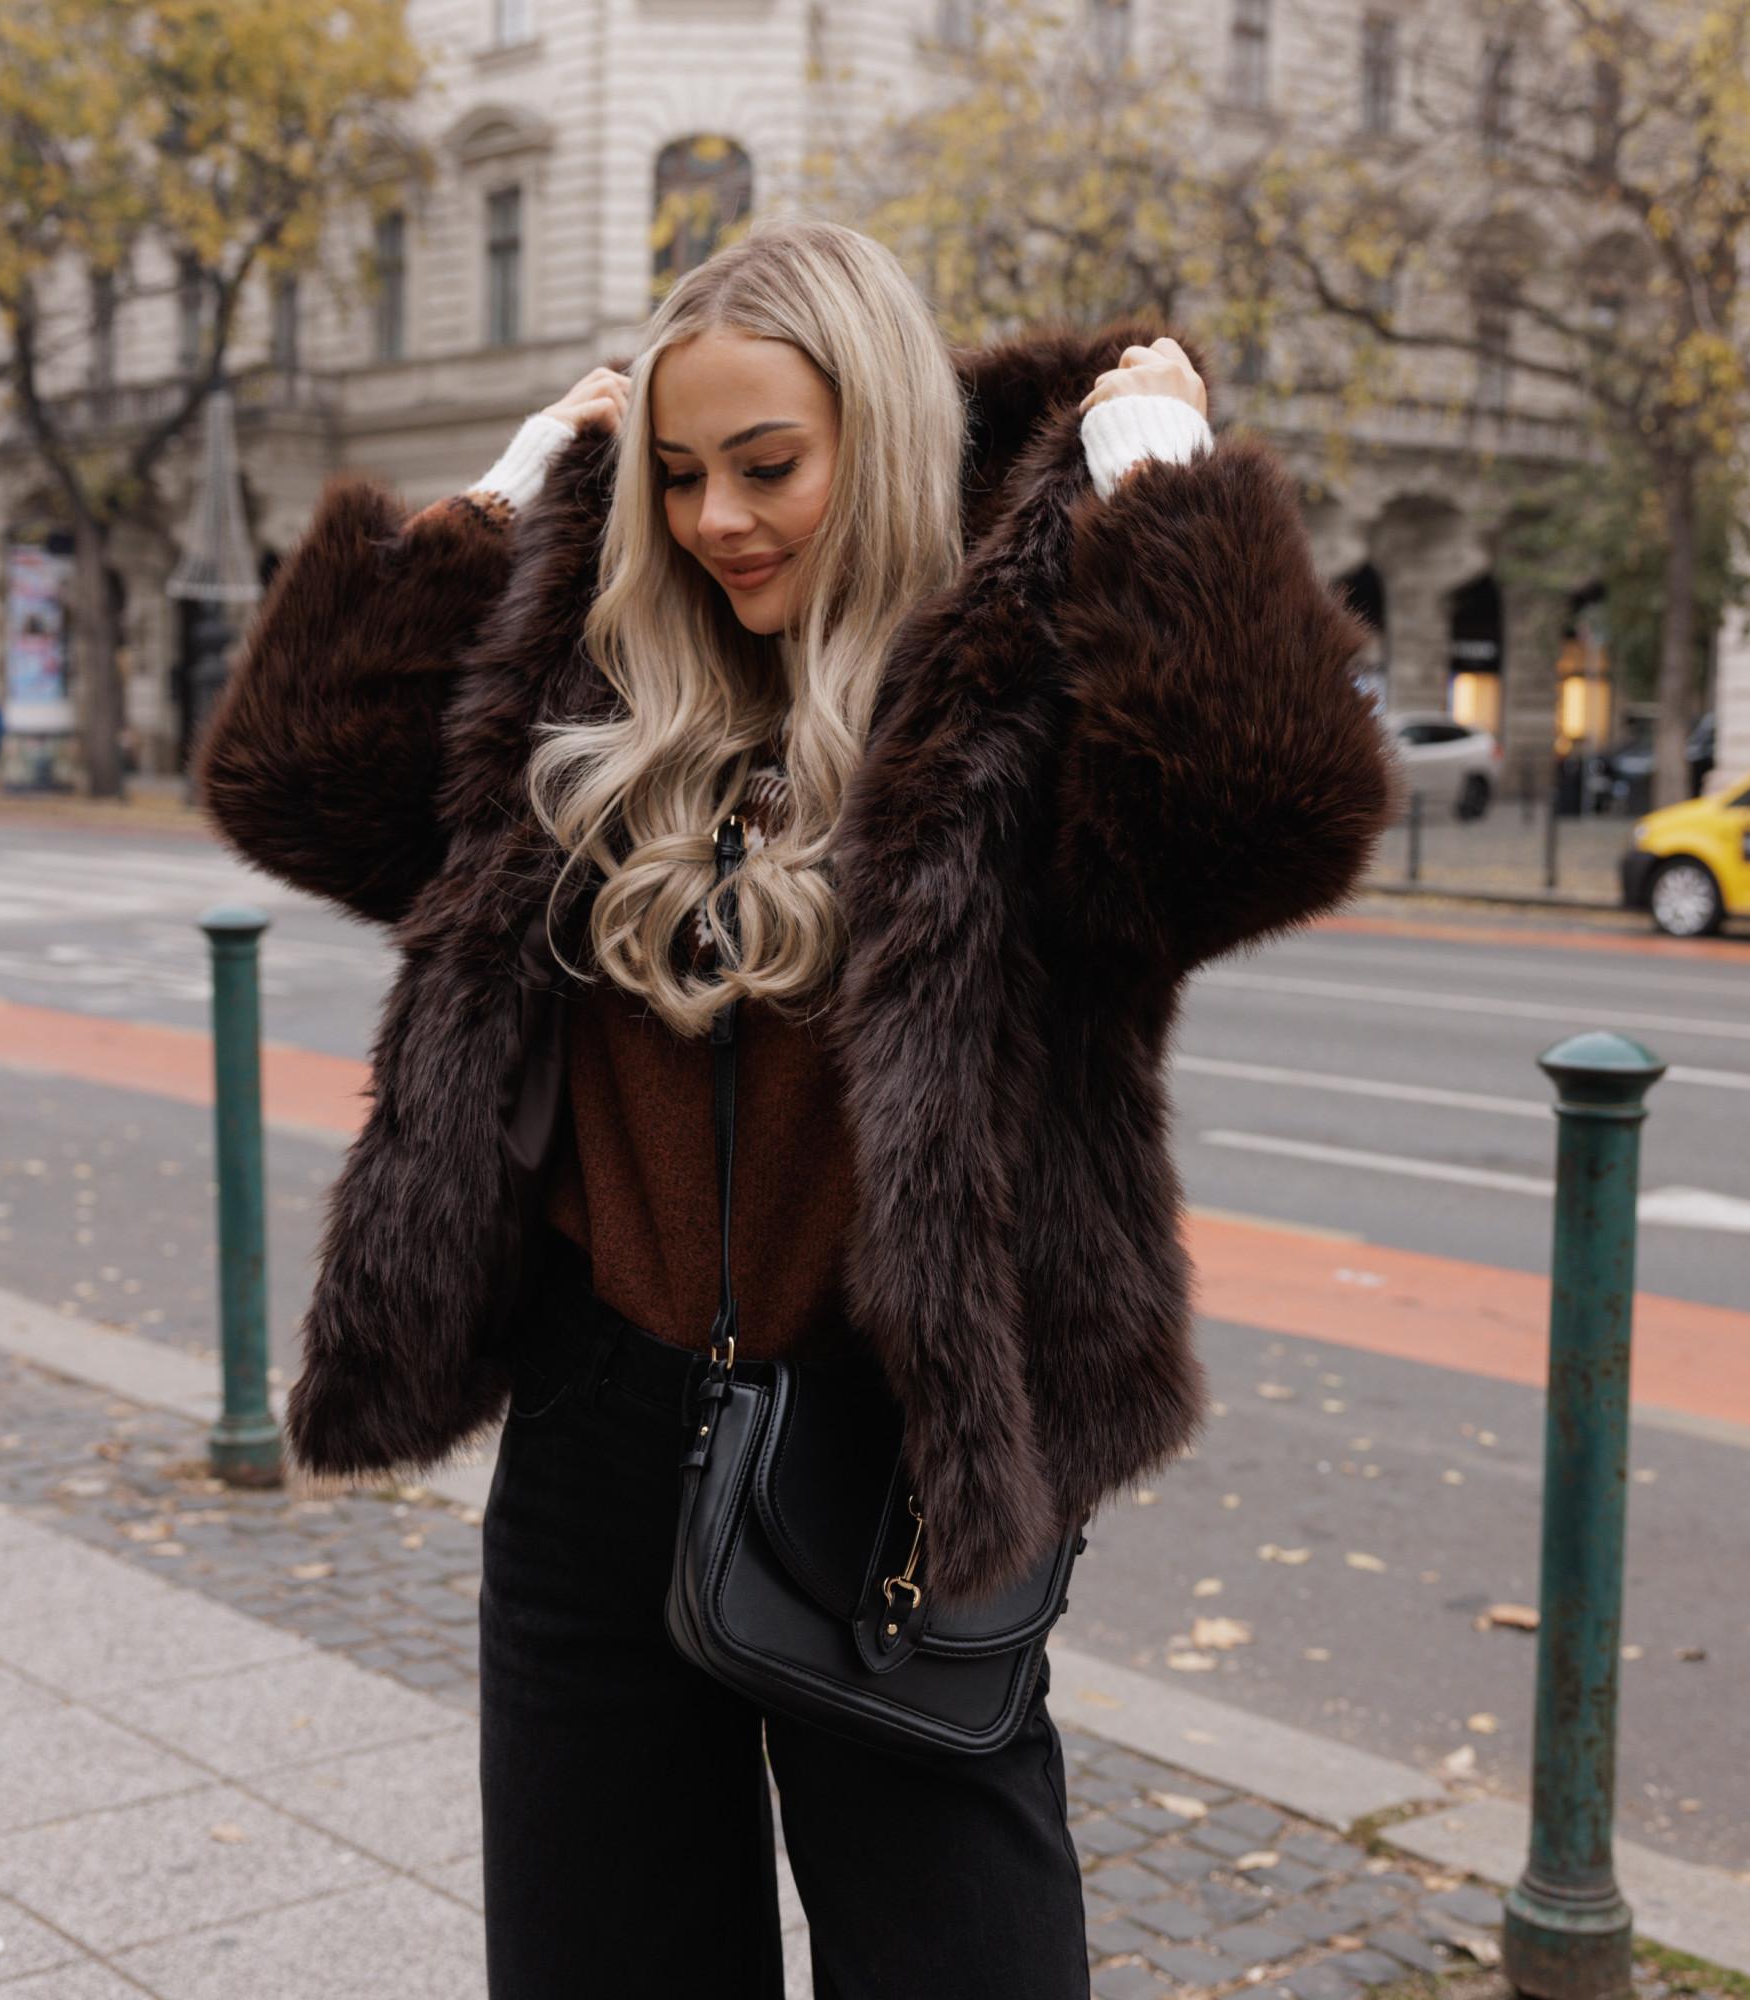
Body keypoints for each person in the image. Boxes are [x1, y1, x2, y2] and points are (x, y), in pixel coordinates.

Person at [193, 216, 1397, 1997]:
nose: (718, 520)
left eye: (769, 467)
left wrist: (1160, 490)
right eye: (678, 476)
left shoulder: (1011, 703)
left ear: (883, 443)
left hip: (902, 1457)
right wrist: (515, 495)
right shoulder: (601, 686)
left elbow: (1263, 813)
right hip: (595, 1446)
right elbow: (298, 784)